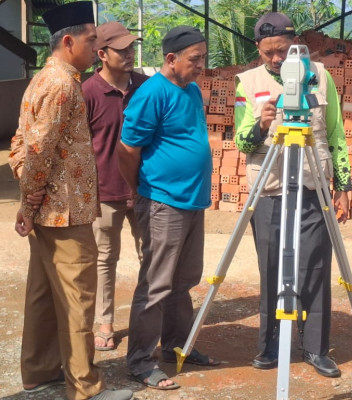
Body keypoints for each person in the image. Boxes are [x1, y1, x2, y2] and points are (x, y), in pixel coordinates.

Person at [8, 2, 133, 399]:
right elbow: (39, 152)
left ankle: (40, 371)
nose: (96, 46)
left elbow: (20, 145)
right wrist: (28, 206)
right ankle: (86, 387)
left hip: (52, 210)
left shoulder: (42, 80)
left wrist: (30, 205)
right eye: (91, 39)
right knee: (79, 300)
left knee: (44, 295)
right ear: (68, 41)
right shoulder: (63, 85)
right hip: (66, 211)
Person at [234, 12, 352, 378]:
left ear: (295, 44)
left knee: (314, 267)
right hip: (268, 189)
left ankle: (316, 348)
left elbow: (335, 134)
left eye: (283, 51)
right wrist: (260, 124)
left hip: (311, 184)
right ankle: (270, 345)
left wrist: (344, 186)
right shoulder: (246, 82)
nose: (276, 59)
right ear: (258, 48)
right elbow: (240, 141)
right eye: (268, 52)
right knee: (271, 268)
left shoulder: (321, 76)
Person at [118, 25, 220, 390]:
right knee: (156, 284)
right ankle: (141, 362)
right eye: (195, 59)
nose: (201, 66)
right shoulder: (151, 93)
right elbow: (127, 149)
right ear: (171, 58)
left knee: (185, 280)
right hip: (162, 201)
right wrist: (140, 192)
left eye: (204, 58)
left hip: (192, 202)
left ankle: (177, 345)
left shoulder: (191, 90)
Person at [82, 21, 148, 352]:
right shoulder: (88, 92)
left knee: (150, 254)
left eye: (131, 47)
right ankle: (104, 321)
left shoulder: (145, 86)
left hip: (145, 189)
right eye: (121, 49)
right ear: (102, 54)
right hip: (105, 191)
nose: (129, 53)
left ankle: (149, 318)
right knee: (105, 259)